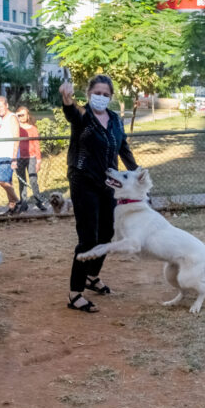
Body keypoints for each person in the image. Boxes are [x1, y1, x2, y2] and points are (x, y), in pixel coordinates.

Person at [59, 75, 138, 313]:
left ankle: (91, 276)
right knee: (88, 238)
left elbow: (123, 147)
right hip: (83, 181)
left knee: (107, 232)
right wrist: (66, 99)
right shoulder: (83, 116)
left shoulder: (115, 120)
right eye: (97, 93)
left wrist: (137, 173)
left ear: (111, 97)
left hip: (108, 183)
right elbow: (71, 114)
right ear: (89, 93)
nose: (101, 97)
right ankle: (75, 293)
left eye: (106, 94)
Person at [0, 96, 22, 216]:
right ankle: (12, 208)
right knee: (8, 182)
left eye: (1, 106)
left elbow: (16, 138)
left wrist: (14, 158)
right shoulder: (0, 119)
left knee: (1, 180)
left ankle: (17, 201)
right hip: (1, 155)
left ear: (7, 105)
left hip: (9, 155)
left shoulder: (12, 118)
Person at [14, 106, 47, 211]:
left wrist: (38, 160)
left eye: (23, 115)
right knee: (22, 181)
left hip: (31, 157)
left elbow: (36, 144)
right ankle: (24, 203)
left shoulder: (33, 129)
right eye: (19, 115)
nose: (21, 117)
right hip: (20, 158)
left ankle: (38, 201)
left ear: (28, 116)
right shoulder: (16, 128)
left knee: (33, 180)